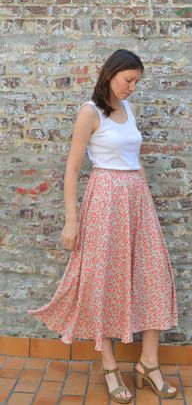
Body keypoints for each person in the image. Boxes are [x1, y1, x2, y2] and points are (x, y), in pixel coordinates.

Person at [28, 49, 178, 403]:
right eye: (129, 80)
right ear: (110, 74)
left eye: (137, 82)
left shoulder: (129, 110)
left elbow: (135, 159)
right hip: (105, 199)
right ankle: (109, 366)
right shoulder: (90, 112)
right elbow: (72, 169)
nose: (132, 87)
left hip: (137, 199)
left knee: (153, 275)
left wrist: (148, 205)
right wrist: (71, 220)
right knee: (104, 281)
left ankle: (148, 364)